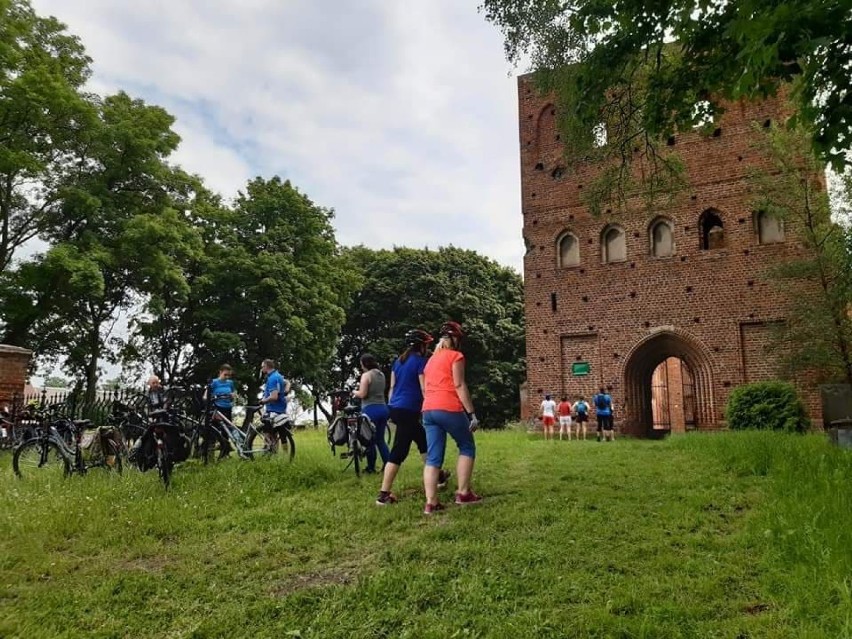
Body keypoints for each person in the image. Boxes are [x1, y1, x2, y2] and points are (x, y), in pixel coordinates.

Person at [376, 329, 450, 506]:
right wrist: (430, 406)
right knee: (399, 451)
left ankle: (439, 477)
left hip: (395, 407)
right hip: (409, 409)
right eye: (427, 344)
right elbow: (424, 388)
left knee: (423, 441)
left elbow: (392, 387)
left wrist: (392, 408)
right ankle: (383, 495)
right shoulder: (421, 362)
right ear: (422, 345)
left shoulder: (398, 362)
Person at [422, 321, 480, 514]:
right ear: (456, 340)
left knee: (433, 457)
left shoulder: (431, 359)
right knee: (467, 446)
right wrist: (472, 414)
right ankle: (463, 493)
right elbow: (459, 385)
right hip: (448, 407)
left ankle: (431, 503)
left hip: (428, 409)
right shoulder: (456, 356)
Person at [352, 353, 390, 474]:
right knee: (380, 439)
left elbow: (363, 394)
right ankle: (389, 465)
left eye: (361, 364)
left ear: (364, 363)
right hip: (383, 408)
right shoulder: (381, 374)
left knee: (369, 440)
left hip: (370, 409)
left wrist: (354, 392)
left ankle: (371, 467)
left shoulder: (366, 375)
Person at [206, 364, 235, 458]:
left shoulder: (230, 383)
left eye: (228, 375)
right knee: (214, 431)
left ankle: (225, 454)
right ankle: (210, 454)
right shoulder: (214, 383)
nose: (227, 377)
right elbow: (205, 396)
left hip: (228, 408)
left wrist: (232, 396)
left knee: (226, 431)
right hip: (217, 409)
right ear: (220, 372)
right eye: (225, 375)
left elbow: (233, 394)